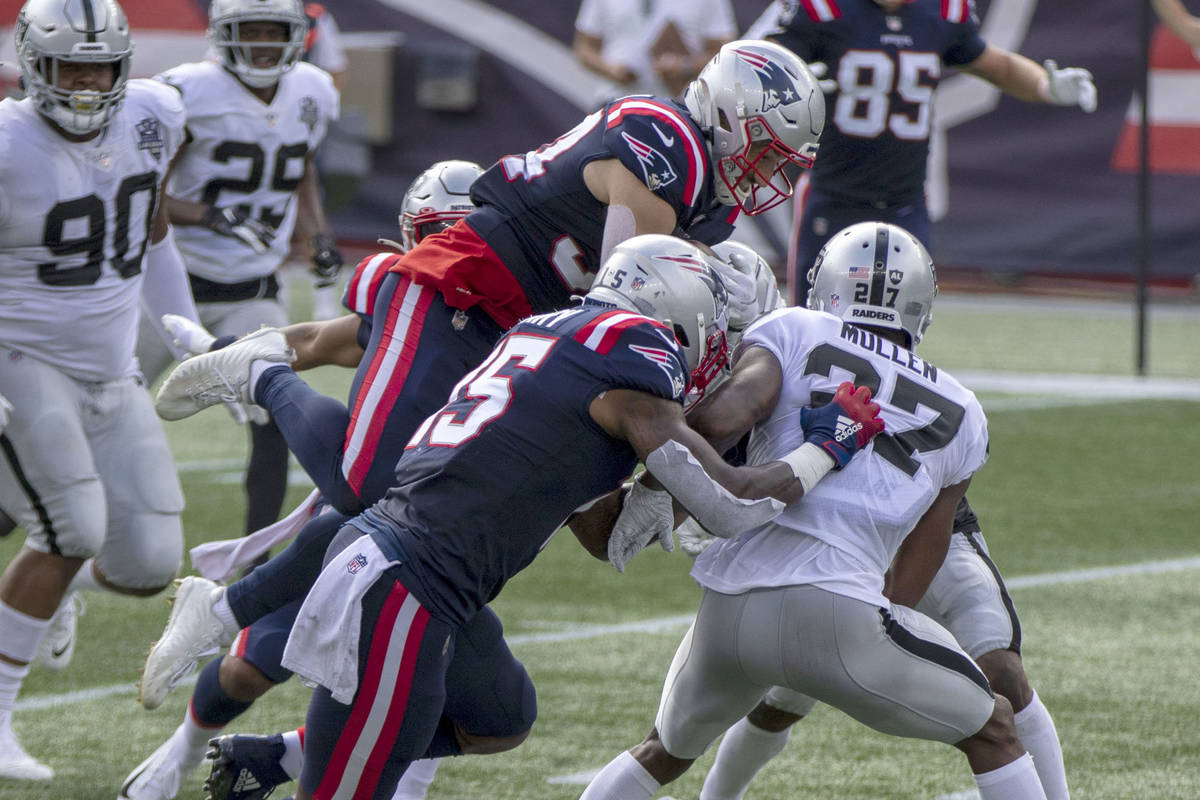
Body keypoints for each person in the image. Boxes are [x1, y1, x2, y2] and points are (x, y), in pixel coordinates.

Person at [175, 234, 885, 800]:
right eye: (713, 332)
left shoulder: (553, 339)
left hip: (419, 578)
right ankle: (262, 387)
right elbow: (729, 502)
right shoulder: (632, 362)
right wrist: (826, 449)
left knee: (500, 718)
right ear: (679, 311)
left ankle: (259, 686)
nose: (709, 355)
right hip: (406, 589)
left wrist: (649, 502)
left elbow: (596, 524)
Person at [579, 223, 1052, 800]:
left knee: (660, 753)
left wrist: (656, 489)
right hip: (840, 611)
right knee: (996, 730)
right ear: (921, 307)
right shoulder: (963, 407)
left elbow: (717, 424)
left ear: (824, 284)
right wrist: (865, 640)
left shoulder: (793, 326)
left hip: (728, 610)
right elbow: (921, 555)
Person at [117, 160, 482, 800]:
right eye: (438, 233)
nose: (450, 250)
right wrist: (219, 351)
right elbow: (311, 337)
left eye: (464, 232)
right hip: (366, 517)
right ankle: (184, 750)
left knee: (472, 700)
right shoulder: (401, 300)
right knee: (253, 669)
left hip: (448, 534)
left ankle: (275, 742)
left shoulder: (522, 316)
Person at [0, 0, 203, 780]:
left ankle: (47, 592)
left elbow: (150, 230)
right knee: (72, 527)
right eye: (69, 66)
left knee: (151, 560)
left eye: (100, 66)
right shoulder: (9, 143)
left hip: (108, 366)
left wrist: (182, 323)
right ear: (32, 65)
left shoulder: (153, 114)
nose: (86, 83)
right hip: (18, 354)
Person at [133, 0, 343, 566]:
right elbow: (143, 189)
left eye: (273, 33)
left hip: (253, 287)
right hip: (169, 285)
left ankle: (253, 562)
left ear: (296, 35)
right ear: (223, 34)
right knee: (109, 410)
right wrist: (208, 215)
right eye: (249, 32)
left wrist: (317, 234)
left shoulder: (313, 89)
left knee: (276, 417)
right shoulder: (185, 92)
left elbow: (300, 171)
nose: (262, 45)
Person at [761, 0, 1098, 304]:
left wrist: (1045, 86)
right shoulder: (824, 10)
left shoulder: (941, 12)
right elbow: (763, 65)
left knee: (899, 326)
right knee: (808, 319)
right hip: (833, 197)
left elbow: (998, 66)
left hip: (904, 202)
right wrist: (793, 80)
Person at [573, 0, 737, 97]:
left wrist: (684, 66)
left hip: (676, 110)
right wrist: (610, 70)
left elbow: (726, 54)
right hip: (613, 102)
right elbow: (584, 47)